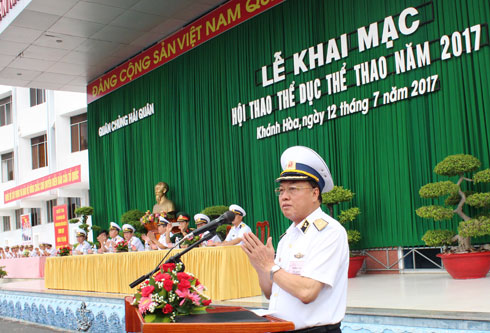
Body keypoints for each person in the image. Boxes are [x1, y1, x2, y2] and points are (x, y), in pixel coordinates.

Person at [241, 146, 349, 332]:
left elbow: (307, 292)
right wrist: (260, 266)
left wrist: (270, 266)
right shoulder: (288, 236)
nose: (284, 197)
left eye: (293, 189)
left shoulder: (329, 231)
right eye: (281, 190)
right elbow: (270, 292)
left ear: (315, 193)